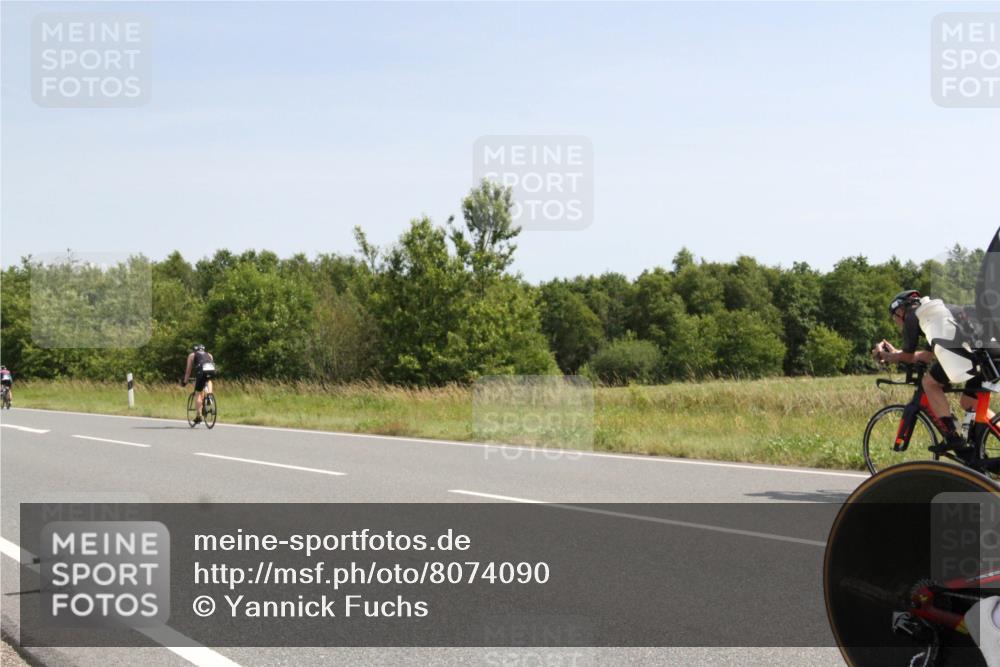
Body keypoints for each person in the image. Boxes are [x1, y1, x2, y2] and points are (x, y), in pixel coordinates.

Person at [874, 290, 989, 454]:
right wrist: (896, 353)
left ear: (900, 311)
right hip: (986, 352)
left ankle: (952, 436)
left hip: (973, 354)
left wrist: (884, 355)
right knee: (968, 403)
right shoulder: (934, 315)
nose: (897, 323)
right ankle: (980, 448)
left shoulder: (912, 317)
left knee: (929, 383)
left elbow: (907, 356)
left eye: (894, 318)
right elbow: (926, 356)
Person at [182, 344, 216, 423]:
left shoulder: (192, 355)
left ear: (195, 350)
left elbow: (188, 371)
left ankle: (199, 416)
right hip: (211, 370)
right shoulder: (209, 355)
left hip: (201, 371)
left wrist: (185, 382)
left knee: (198, 393)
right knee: (208, 380)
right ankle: (209, 395)